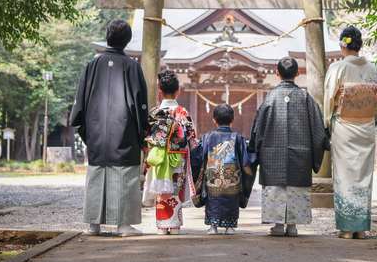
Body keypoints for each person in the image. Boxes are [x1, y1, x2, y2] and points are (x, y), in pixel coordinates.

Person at [69, 18, 148, 237]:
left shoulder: (92, 65)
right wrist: (143, 135)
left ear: (107, 37)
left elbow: (80, 101)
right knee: (124, 175)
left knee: (97, 173)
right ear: (127, 41)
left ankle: (93, 225)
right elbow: (140, 104)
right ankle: (123, 224)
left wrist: (85, 127)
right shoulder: (133, 66)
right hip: (124, 132)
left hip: (96, 131)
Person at [248, 57, 329, 236]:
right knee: (296, 188)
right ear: (298, 73)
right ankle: (292, 226)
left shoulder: (270, 97)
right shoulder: (305, 97)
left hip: (272, 155)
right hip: (300, 154)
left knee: (276, 189)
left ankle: (277, 226)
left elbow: (257, 128)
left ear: (277, 73)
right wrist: (320, 145)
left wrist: (255, 149)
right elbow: (318, 130)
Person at [324, 26, 377, 240]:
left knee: (344, 175)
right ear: (360, 45)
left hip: (344, 127)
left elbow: (329, 99)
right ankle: (361, 228)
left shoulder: (337, 68)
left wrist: (327, 125)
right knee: (363, 176)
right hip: (366, 127)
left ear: (342, 45)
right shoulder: (373, 69)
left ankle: (347, 228)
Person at [141, 70, 198, 235]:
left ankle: (161, 226)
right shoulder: (183, 113)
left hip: (157, 158)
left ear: (160, 91)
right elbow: (192, 139)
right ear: (178, 91)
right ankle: (174, 226)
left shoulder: (153, 113)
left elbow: (145, 136)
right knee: (175, 189)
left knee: (161, 191)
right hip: (177, 158)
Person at [191, 103, 257, 235]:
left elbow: (198, 157)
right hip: (232, 177)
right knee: (231, 199)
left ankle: (213, 227)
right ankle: (230, 227)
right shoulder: (238, 138)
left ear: (214, 120)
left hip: (212, 176)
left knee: (213, 199)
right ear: (233, 120)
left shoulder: (207, 137)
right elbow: (246, 161)